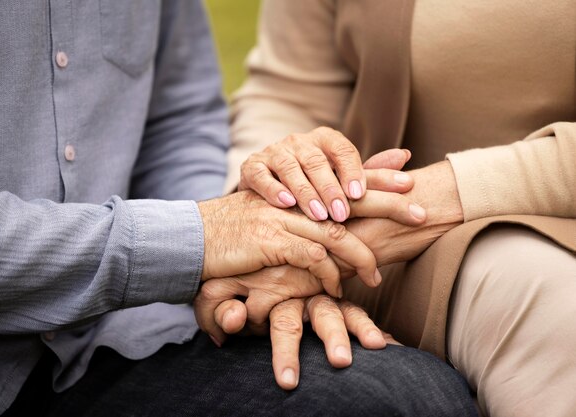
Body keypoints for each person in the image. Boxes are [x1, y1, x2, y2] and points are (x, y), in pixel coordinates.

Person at [0, 1, 477, 416]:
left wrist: (259, 269)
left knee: (405, 398)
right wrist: (202, 242)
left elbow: (178, 121)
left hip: (113, 338)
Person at [217, 1, 576, 416]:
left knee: (551, 310)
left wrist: (433, 198)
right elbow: (289, 91)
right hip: (356, 253)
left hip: (537, 252)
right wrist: (263, 230)